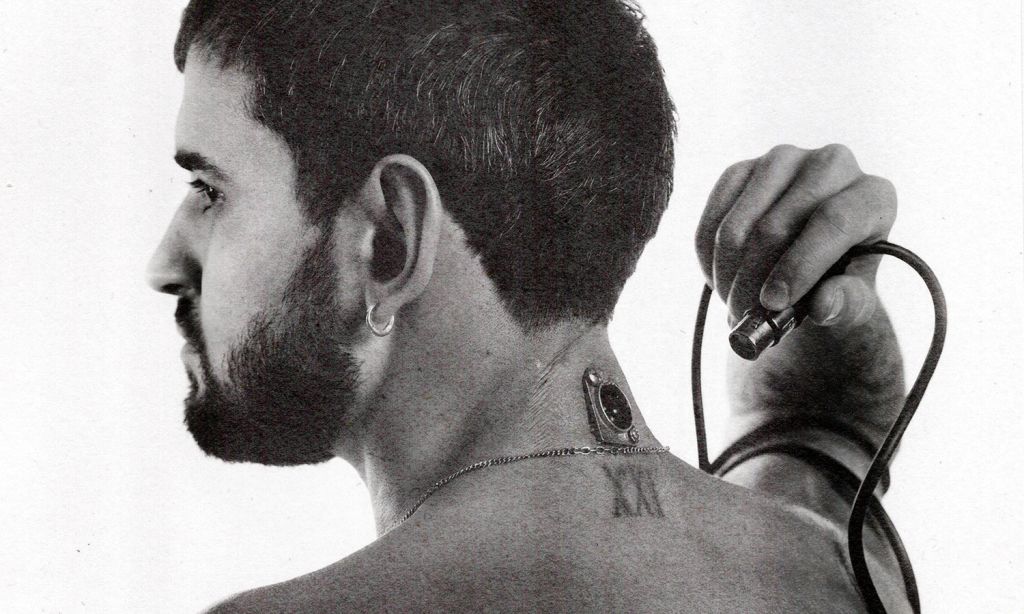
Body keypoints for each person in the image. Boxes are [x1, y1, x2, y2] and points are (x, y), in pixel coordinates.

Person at [147, 1, 911, 611]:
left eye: (210, 190)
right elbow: (820, 468)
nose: (165, 263)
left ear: (388, 241)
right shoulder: (841, 573)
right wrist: (826, 415)